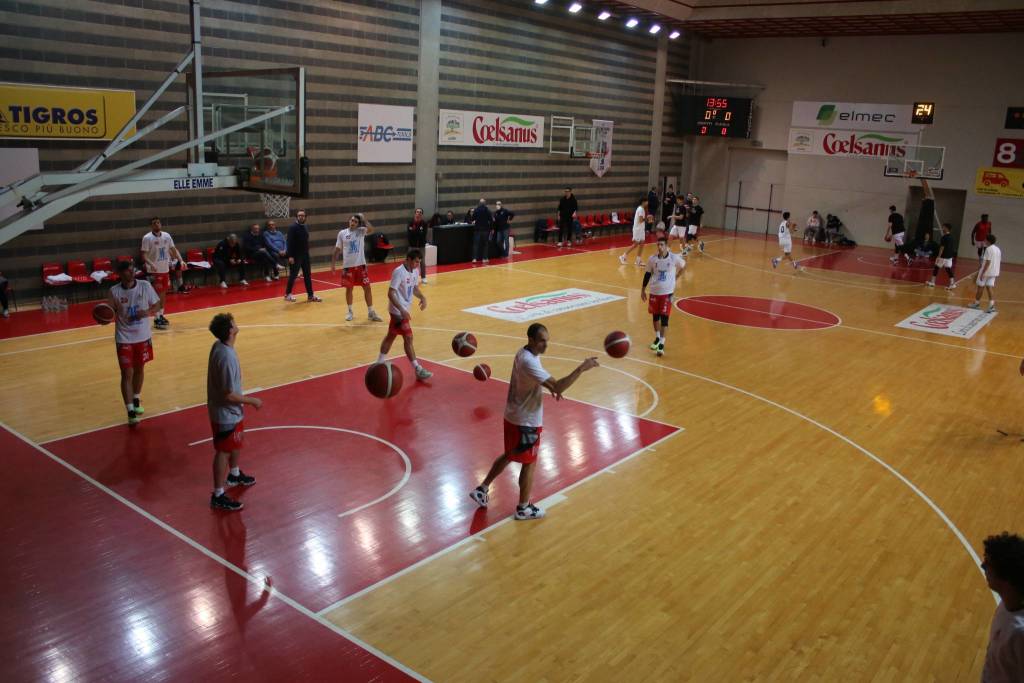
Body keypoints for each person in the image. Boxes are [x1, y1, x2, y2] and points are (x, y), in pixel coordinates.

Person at [469, 323, 599, 520]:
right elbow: (558, 386)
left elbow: (545, 383)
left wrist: (551, 387)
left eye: (547, 340)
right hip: (526, 422)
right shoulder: (529, 362)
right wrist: (581, 368)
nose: (546, 345)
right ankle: (523, 508)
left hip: (513, 415)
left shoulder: (524, 353)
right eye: (542, 341)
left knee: (510, 454)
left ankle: (483, 488)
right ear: (531, 340)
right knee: (530, 463)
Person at [206, 312, 262, 512]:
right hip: (225, 411)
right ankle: (218, 494)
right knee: (223, 451)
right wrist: (251, 401)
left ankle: (234, 473)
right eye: (234, 323)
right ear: (230, 331)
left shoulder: (219, 346)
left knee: (236, 441)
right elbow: (228, 394)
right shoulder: (227, 356)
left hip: (230, 411)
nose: (236, 325)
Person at [108, 260, 160, 426]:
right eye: (128, 271)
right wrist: (103, 318)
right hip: (124, 338)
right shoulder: (114, 291)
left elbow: (158, 304)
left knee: (140, 369)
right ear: (120, 274)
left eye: (133, 270)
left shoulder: (145, 286)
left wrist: (147, 312)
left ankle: (136, 399)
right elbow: (109, 313)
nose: (132, 273)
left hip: (143, 337)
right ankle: (130, 411)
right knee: (127, 373)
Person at [376, 248, 431, 381]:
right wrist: (401, 309)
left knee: (391, 336)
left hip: (404, 310)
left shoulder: (415, 271)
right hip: (397, 311)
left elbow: (414, 288)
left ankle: (378, 363)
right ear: (408, 259)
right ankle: (417, 369)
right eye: (416, 262)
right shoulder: (398, 272)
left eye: (419, 262)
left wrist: (422, 297)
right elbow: (390, 293)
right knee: (408, 338)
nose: (417, 265)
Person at [980, 531, 1024, 682]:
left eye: (988, 565)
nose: (982, 566)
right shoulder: (1006, 602)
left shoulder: (1019, 634)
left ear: (1006, 579)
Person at [331, 213, 383, 322]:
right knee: (349, 289)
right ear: (348, 221)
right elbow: (337, 250)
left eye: (355, 221)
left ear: (358, 224)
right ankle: (350, 311)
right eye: (352, 220)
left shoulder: (361, 231)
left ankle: (371, 312)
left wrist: (364, 219)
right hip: (348, 267)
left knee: (367, 288)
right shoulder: (342, 233)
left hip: (361, 266)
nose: (353, 222)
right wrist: (333, 264)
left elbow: (372, 229)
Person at [641, 235, 686, 357]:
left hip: (667, 293)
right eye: (658, 245)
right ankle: (657, 338)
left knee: (665, 318)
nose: (660, 247)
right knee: (655, 318)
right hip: (654, 292)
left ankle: (661, 343)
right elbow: (647, 274)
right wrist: (643, 289)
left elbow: (683, 266)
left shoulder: (673, 258)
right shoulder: (652, 259)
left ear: (666, 246)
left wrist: (676, 277)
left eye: (662, 245)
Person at [140, 217, 181, 330]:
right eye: (154, 223)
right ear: (151, 226)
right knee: (155, 295)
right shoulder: (147, 238)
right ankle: (156, 317)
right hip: (154, 271)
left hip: (165, 270)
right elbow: (144, 255)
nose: (157, 224)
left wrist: (180, 260)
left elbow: (173, 249)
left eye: (158, 222)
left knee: (163, 293)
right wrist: (150, 263)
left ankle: (161, 315)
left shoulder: (167, 236)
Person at [284, 208, 321, 303]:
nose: (301, 217)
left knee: (307, 275)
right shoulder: (293, 227)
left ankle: (310, 295)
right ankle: (287, 294)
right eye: (299, 215)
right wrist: (290, 256)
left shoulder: (305, 226)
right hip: (295, 255)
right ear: (297, 217)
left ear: (305, 217)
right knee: (293, 275)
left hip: (305, 255)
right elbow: (289, 242)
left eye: (303, 215)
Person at [969, 234, 1001, 313]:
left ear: (988, 241)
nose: (984, 241)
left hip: (986, 272)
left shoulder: (988, 249)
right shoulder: (998, 249)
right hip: (994, 272)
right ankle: (991, 305)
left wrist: (982, 273)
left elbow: (988, 262)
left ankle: (976, 304)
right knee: (989, 287)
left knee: (980, 287)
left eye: (985, 240)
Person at [618, 197, 650, 266]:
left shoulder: (642, 209)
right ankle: (623, 256)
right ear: (643, 202)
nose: (647, 203)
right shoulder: (641, 209)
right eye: (646, 201)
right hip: (637, 229)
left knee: (642, 244)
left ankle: (638, 260)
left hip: (641, 229)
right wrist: (647, 219)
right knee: (636, 244)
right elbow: (641, 220)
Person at [926, 223, 958, 290]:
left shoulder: (944, 237)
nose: (942, 228)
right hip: (949, 257)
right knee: (948, 269)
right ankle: (952, 283)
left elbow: (942, 248)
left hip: (943, 256)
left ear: (946, 228)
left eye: (943, 227)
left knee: (936, 268)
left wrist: (938, 256)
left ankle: (932, 282)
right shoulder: (952, 237)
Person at [407, 207, 428, 281]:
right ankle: (409, 276)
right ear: (415, 213)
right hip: (412, 246)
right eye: (417, 212)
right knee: (409, 261)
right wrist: (417, 232)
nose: (418, 213)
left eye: (420, 212)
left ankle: (423, 277)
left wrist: (415, 231)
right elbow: (410, 235)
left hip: (421, 246)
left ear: (422, 215)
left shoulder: (424, 224)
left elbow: (423, 235)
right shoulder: (410, 223)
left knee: (422, 262)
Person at [471, 198, 493, 264]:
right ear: (485, 203)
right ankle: (484, 258)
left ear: (479, 203)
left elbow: (473, 218)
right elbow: (491, 220)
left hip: (477, 229)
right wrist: (492, 228)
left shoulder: (476, 210)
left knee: (476, 244)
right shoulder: (488, 210)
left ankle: (474, 258)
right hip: (485, 230)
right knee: (485, 244)